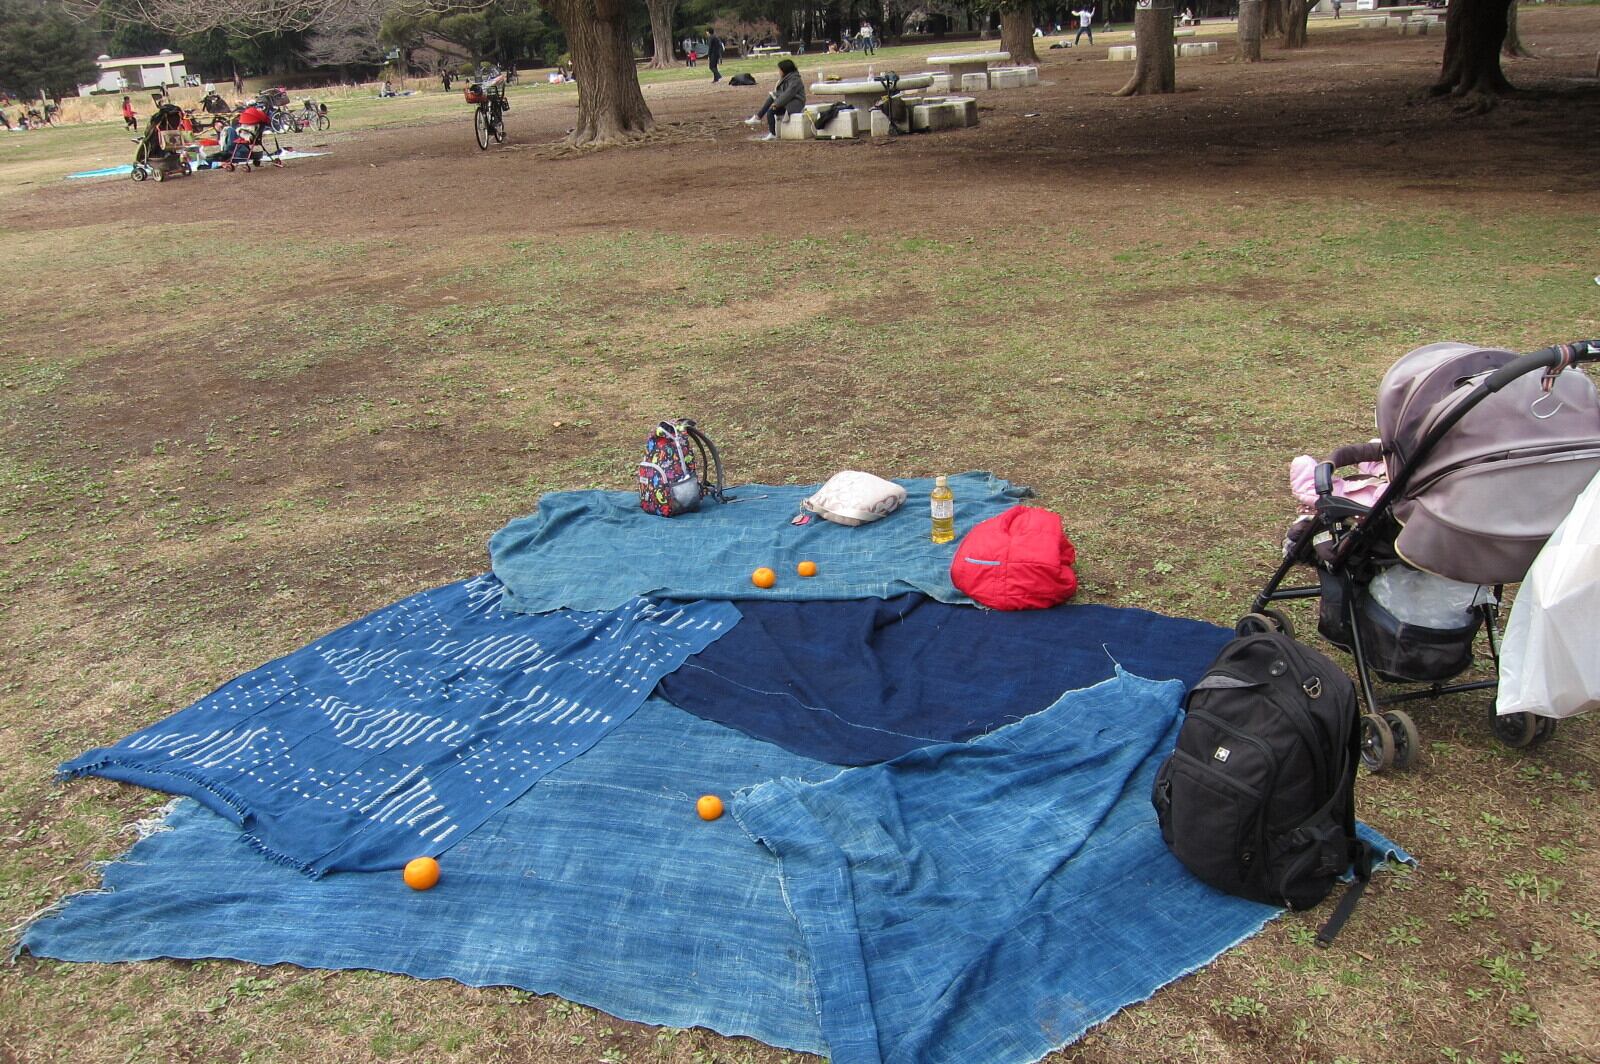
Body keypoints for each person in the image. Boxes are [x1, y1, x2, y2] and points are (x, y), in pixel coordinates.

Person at [743, 57, 805, 141]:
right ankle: (759, 118)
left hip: (794, 104)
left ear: (785, 70)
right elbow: (782, 93)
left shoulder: (795, 80)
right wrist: (776, 99)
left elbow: (788, 94)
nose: (779, 72)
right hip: (788, 102)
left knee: (770, 111)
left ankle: (769, 130)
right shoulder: (788, 78)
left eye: (780, 70)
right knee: (772, 97)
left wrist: (777, 104)